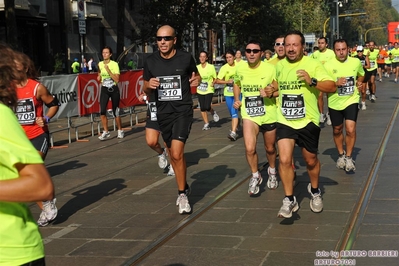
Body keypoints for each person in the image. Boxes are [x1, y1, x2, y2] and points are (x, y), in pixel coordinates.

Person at [0, 42, 55, 266]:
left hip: (11, 252)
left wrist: (47, 119)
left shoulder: (2, 117)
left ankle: (48, 207)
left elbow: (41, 185)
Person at [275, 30, 335, 218]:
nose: (291, 49)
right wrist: (271, 89)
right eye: (288, 45)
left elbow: (331, 86)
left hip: (308, 119)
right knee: (284, 159)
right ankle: (289, 198)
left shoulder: (313, 64)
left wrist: (311, 81)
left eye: (295, 45)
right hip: (285, 119)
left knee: (310, 161)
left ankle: (315, 190)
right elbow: (278, 85)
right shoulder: (279, 65)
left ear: (302, 46)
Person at [143, 25, 200, 214]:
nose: (162, 42)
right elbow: (145, 86)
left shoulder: (185, 57)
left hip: (182, 110)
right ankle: (183, 184)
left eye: (166, 38)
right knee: (172, 153)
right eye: (159, 39)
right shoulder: (150, 60)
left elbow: (196, 75)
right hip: (162, 112)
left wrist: (197, 80)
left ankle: (182, 194)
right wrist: (148, 86)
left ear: (174, 40)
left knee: (176, 153)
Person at [15, 52, 59, 227]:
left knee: (31, 168)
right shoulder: (8, 89)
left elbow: (54, 104)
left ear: (25, 68)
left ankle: (47, 202)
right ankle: (46, 207)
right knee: (25, 176)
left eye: (18, 66)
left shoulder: (37, 88)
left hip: (38, 135)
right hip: (19, 139)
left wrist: (46, 118)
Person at [233, 40, 279, 195]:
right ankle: (255, 175)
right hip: (249, 114)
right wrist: (237, 99)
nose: (251, 53)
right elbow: (236, 83)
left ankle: (272, 172)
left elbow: (278, 85)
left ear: (261, 53)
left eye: (255, 51)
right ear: (245, 52)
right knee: (250, 148)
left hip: (268, 113)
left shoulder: (270, 68)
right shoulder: (240, 68)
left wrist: (270, 91)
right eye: (248, 50)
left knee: (270, 148)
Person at [324, 39, 365, 173]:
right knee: (337, 129)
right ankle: (341, 154)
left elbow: (361, 75)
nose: (341, 52)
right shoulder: (328, 65)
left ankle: (349, 157)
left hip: (351, 99)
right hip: (335, 102)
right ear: (334, 50)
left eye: (343, 49)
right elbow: (324, 85)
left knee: (350, 129)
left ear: (348, 49)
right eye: (338, 50)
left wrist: (359, 83)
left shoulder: (355, 62)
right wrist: (335, 83)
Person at [138, 92, 175, 176]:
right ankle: (162, 153)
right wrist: (144, 95)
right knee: (151, 142)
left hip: (167, 112)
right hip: (153, 114)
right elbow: (146, 88)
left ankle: (173, 165)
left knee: (168, 143)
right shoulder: (150, 79)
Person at [97, 46, 124, 140]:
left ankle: (120, 130)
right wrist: (99, 77)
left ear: (110, 54)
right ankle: (106, 131)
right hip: (104, 88)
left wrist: (108, 70)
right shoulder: (100, 64)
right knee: (102, 110)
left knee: (115, 111)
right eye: (103, 52)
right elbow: (99, 73)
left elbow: (117, 79)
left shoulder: (114, 64)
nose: (104, 54)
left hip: (113, 88)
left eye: (106, 53)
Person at [214, 50, 240, 140]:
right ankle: (237, 123)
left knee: (234, 112)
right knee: (232, 112)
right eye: (227, 58)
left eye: (230, 57)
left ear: (234, 57)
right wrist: (227, 81)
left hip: (238, 93)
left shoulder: (240, 66)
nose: (229, 59)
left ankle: (233, 133)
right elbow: (217, 80)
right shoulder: (224, 68)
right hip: (228, 93)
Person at [311, 37, 335, 125]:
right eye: (319, 43)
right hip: (319, 78)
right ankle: (321, 114)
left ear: (326, 44)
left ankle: (329, 114)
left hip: (329, 77)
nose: (320, 45)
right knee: (320, 96)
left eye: (322, 43)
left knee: (330, 97)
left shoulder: (331, 53)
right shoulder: (315, 54)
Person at [196, 51, 219, 130]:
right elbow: (195, 78)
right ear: (199, 58)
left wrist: (213, 82)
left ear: (206, 58)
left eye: (204, 56)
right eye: (201, 56)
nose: (202, 58)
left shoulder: (211, 67)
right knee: (202, 108)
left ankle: (212, 112)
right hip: (200, 89)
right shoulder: (197, 67)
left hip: (209, 89)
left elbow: (215, 78)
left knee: (207, 106)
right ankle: (206, 123)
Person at [353, 46, 370, 110]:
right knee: (357, 90)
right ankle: (356, 103)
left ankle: (363, 103)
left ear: (363, 51)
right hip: (357, 75)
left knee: (363, 91)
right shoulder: (354, 58)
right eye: (358, 51)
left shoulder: (365, 57)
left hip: (364, 75)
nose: (359, 53)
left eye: (360, 51)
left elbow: (368, 66)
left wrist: (363, 66)